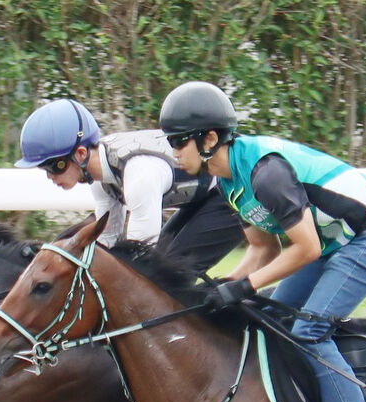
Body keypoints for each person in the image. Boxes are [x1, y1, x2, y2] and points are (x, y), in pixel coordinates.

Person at [159, 81, 366, 402]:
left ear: (208, 138)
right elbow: (263, 249)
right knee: (272, 320)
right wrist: (224, 285)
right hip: (333, 244)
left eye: (179, 142)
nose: (173, 152)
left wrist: (245, 287)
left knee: (308, 332)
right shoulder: (228, 182)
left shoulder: (265, 174)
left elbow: (305, 248)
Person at [14, 97, 244, 275]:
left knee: (169, 274)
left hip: (233, 189)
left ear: (81, 154)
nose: (50, 177)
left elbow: (141, 253)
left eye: (54, 166)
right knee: (163, 266)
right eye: (44, 169)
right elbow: (106, 241)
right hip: (202, 196)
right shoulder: (100, 180)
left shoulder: (138, 173)